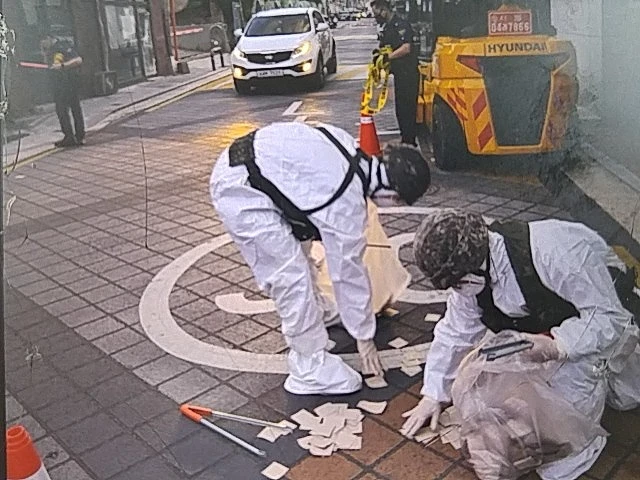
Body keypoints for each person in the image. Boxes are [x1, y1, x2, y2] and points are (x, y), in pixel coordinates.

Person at [402, 209, 640, 479]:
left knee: (562, 460)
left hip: (604, 324)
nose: (458, 290)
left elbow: (609, 316)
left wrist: (556, 345)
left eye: (457, 282)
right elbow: (454, 331)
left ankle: (598, 417)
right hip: (544, 332)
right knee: (494, 385)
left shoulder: (554, 250)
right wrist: (434, 393)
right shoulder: (473, 276)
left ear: (473, 265)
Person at [210, 122, 430, 395]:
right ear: (392, 194)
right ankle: (308, 366)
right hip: (241, 190)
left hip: (252, 169)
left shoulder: (347, 147)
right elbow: (347, 274)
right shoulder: (346, 202)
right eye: (398, 203)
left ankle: (317, 311)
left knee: (300, 252)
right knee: (290, 276)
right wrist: (364, 338)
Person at [370, 0, 420, 146]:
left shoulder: (401, 25)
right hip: (399, 74)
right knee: (401, 110)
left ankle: (410, 142)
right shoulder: (387, 27)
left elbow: (406, 48)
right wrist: (379, 55)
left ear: (384, 9)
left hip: (408, 73)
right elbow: (387, 47)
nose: (376, 16)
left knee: (408, 108)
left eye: (376, 13)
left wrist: (388, 57)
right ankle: (406, 138)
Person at [41, 33, 85, 148]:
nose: (42, 44)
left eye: (43, 41)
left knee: (72, 109)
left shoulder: (62, 46)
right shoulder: (50, 50)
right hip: (59, 85)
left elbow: (78, 60)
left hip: (69, 83)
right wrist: (45, 53)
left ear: (48, 38)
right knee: (62, 111)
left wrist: (63, 66)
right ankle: (70, 136)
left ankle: (78, 136)